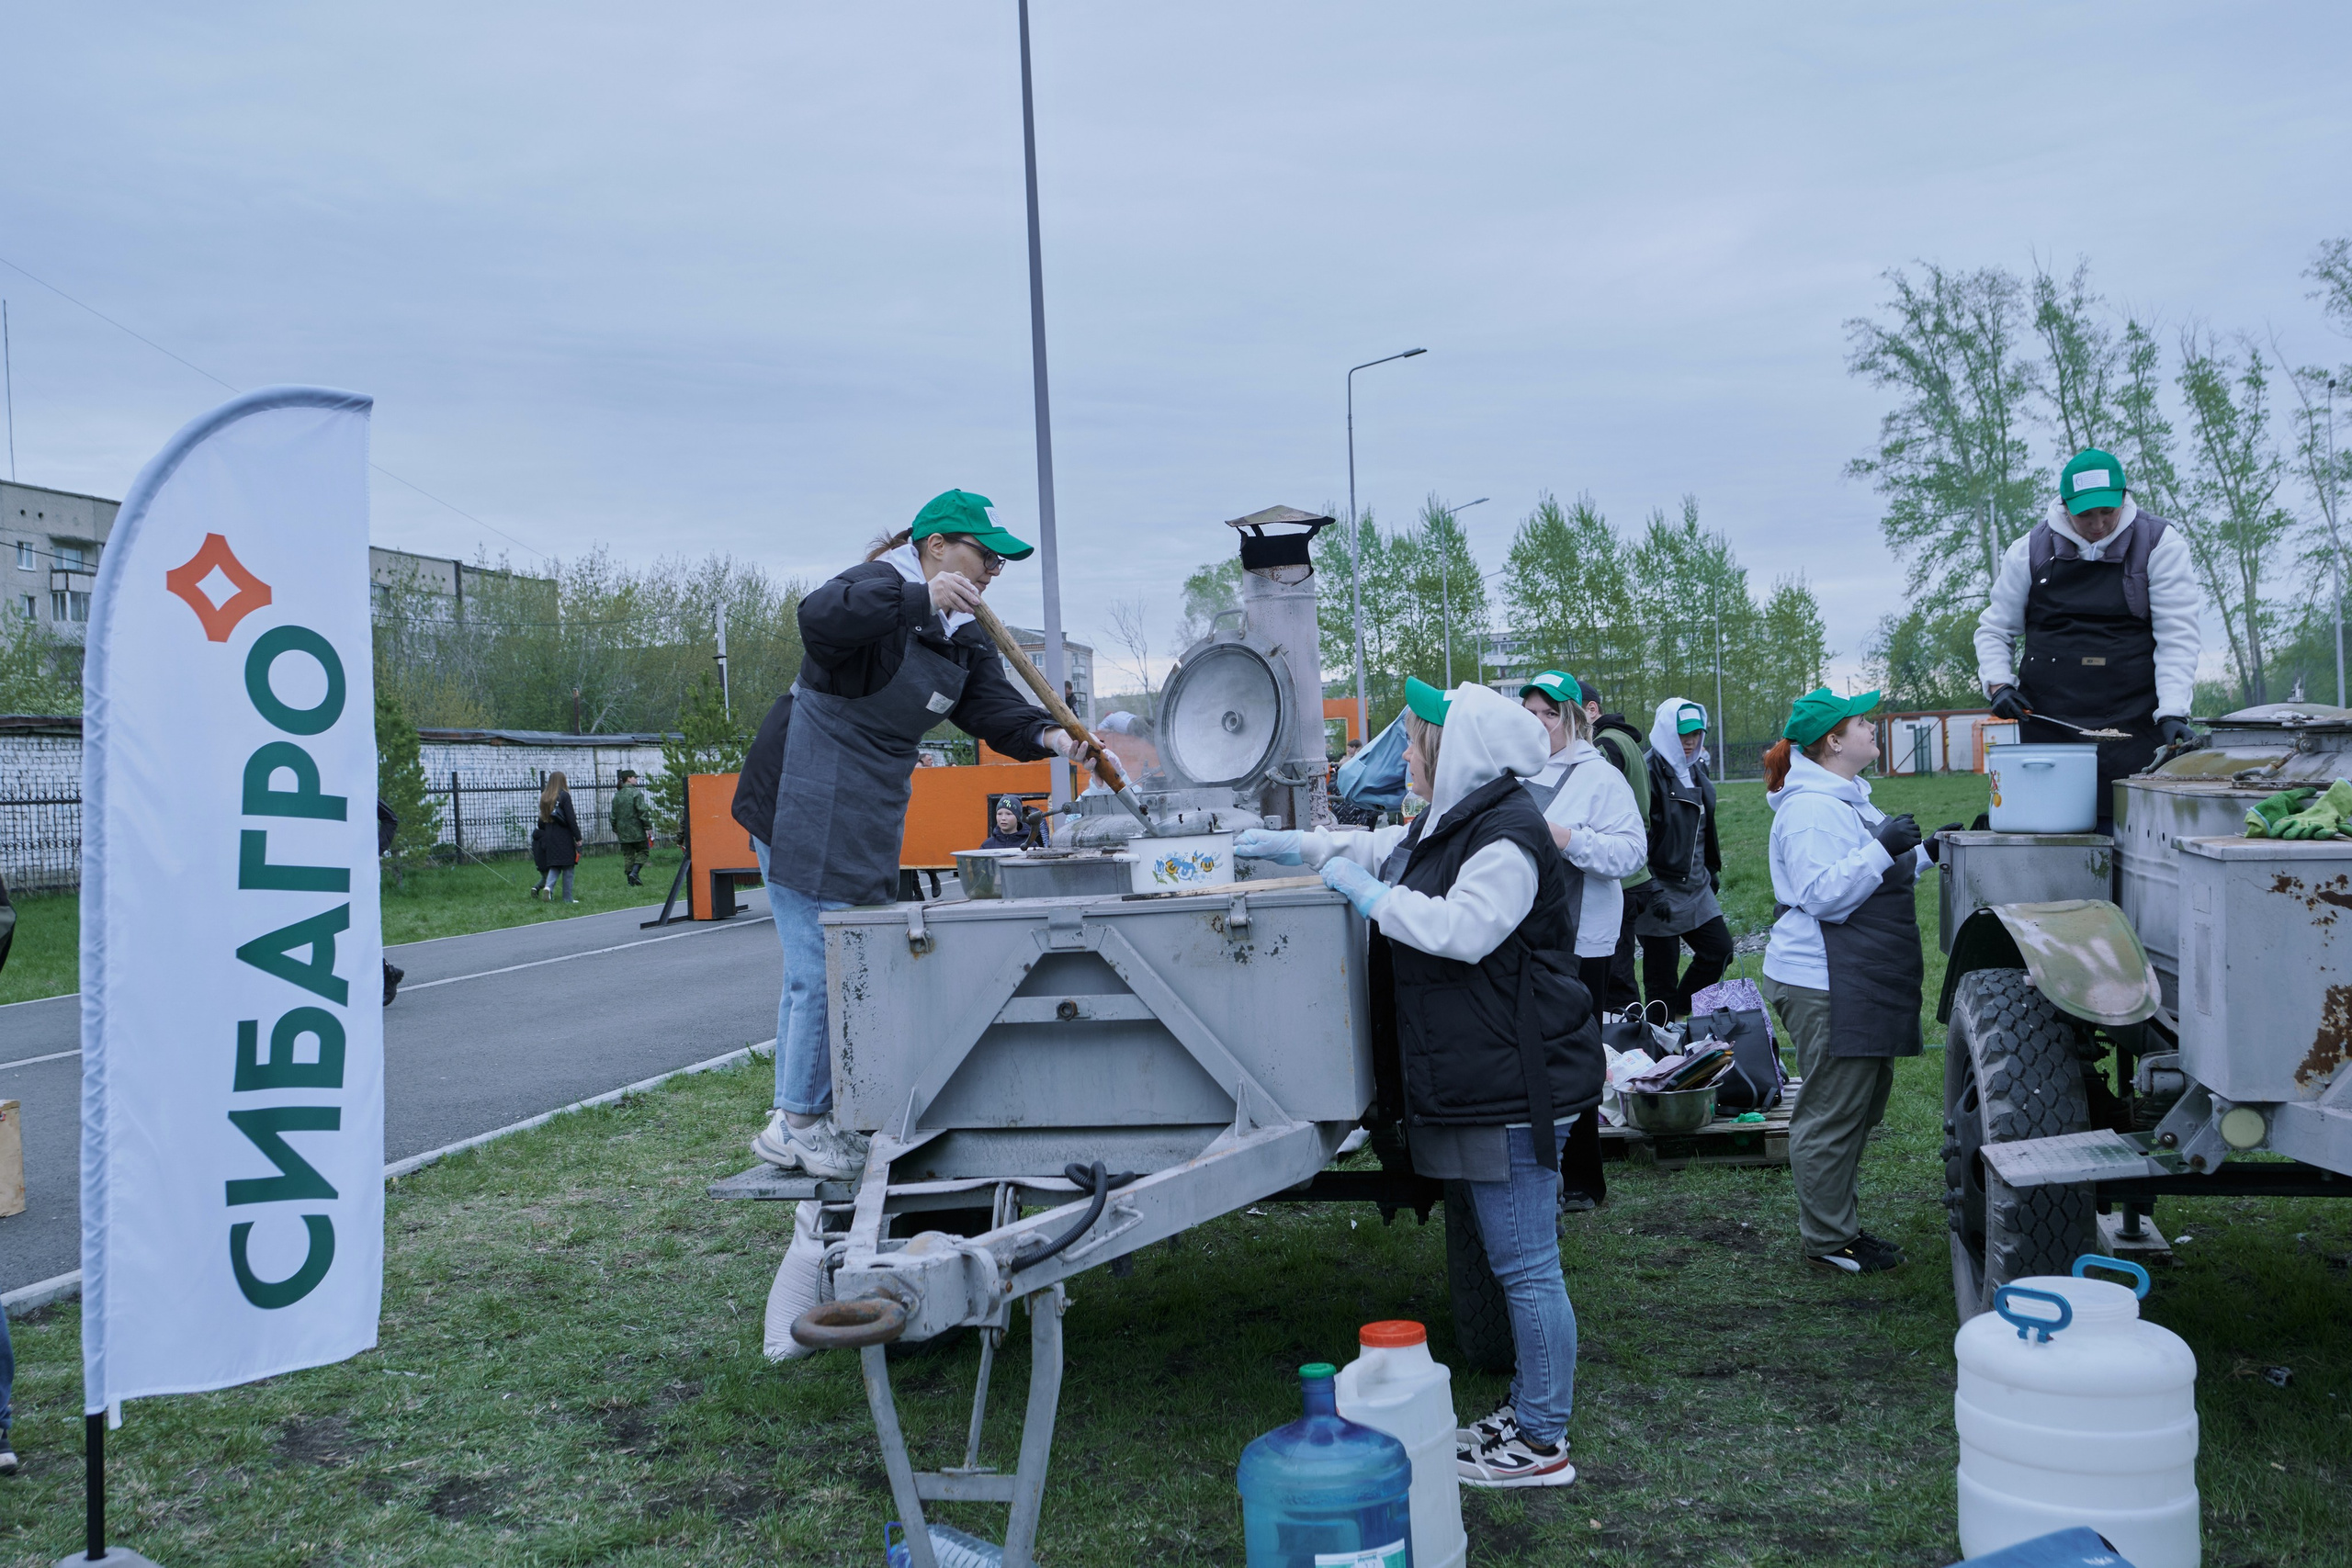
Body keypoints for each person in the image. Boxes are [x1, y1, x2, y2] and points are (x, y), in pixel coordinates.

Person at [1237, 679, 1596, 1489]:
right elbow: (1386, 851)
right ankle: (1530, 1411)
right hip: (1495, 1073)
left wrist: (1373, 900)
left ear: (1454, 749)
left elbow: (1462, 929)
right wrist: (1289, 845)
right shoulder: (1457, 820)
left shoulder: (1506, 836)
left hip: (1518, 1082)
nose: (1405, 752)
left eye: (1415, 739)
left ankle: (1542, 1440)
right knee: (1518, 1261)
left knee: (1527, 1265)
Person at [749, 489, 1115, 1179]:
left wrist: (1056, 740)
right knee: (820, 965)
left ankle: (817, 1114)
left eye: (1000, 564)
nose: (991, 572)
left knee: (853, 958)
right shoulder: (879, 586)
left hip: (867, 807)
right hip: (802, 792)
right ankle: (795, 1124)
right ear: (936, 546)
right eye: (985, 557)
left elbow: (993, 710)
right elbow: (817, 619)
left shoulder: (966, 635)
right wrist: (922, 599)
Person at [1762, 688, 1935, 1275]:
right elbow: (1823, 895)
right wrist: (1883, 849)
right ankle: (1829, 1241)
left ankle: (1839, 1226)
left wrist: (1927, 852)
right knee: (1832, 1113)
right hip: (1824, 979)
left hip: (1853, 974)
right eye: (1862, 722)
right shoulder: (1811, 809)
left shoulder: (1845, 797)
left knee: (1858, 1106)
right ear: (1833, 741)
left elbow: (1867, 876)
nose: (1872, 728)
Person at [1976, 446, 2201, 832]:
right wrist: (1999, 684)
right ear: (2065, 508)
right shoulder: (2029, 549)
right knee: (2049, 831)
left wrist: (2173, 712)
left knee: (2131, 830)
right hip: (2049, 719)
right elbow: (1995, 629)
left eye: (2107, 512)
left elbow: (2177, 636)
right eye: (2085, 515)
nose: (2098, 524)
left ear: (2124, 499)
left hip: (2134, 717)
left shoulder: (2160, 543)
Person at [1518, 671, 1647, 1209]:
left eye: (1550, 713)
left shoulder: (1600, 776)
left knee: (1576, 1055)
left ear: (1573, 717)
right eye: (1531, 713)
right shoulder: (1511, 772)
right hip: (1521, 936)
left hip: (1581, 941)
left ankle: (1583, 1179)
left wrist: (1567, 839)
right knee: (1530, 1053)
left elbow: (1632, 853)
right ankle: (1534, 1171)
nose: (1540, 723)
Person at [1637, 698, 1729, 1017]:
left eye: (1696, 733)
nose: (1690, 741)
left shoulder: (1696, 768)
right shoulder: (1647, 772)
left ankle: (1678, 1015)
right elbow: (1636, 835)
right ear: (1666, 732)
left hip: (1696, 885)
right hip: (1659, 886)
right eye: (1682, 734)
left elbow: (1702, 826)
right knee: (1661, 980)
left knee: (1719, 951)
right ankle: (1658, 1039)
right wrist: (1651, 887)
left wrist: (1709, 868)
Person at [1579, 685, 1655, 1014]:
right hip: (1635, 874)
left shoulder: (1602, 746)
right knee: (1618, 974)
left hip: (1620, 877)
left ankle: (1629, 1038)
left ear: (1591, 710)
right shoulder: (1624, 739)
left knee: (1615, 979)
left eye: (1562, 711)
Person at [530, 772, 582, 902]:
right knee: (568, 866)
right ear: (562, 781)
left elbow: (541, 822)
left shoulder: (545, 797)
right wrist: (578, 837)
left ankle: (548, 887)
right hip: (563, 836)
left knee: (555, 865)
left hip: (549, 835)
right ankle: (567, 898)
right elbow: (571, 818)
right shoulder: (564, 796)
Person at [610, 768, 656, 886]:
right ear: (628, 779)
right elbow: (642, 811)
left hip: (622, 830)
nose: (636, 779)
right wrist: (648, 826)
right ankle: (634, 873)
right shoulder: (636, 793)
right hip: (636, 829)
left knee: (628, 855)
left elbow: (613, 815)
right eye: (634, 777)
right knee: (643, 851)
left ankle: (630, 881)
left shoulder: (617, 795)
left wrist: (615, 828)